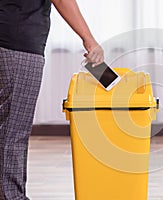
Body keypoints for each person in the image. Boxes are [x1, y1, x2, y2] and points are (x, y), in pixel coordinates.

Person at [0, 0, 103, 199]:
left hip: (8, 36)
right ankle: (11, 196)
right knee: (13, 130)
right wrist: (88, 39)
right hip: (18, 40)